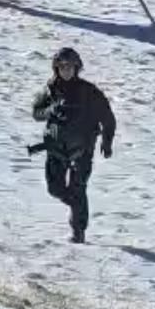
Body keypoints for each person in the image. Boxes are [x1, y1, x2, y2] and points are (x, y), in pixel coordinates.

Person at [31, 46, 116, 243]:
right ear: (56, 69)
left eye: (70, 67)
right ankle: (77, 204)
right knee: (55, 189)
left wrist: (107, 141)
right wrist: (49, 110)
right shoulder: (48, 89)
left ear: (76, 68)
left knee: (78, 188)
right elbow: (36, 112)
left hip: (82, 149)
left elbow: (108, 117)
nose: (66, 70)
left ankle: (78, 231)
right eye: (61, 67)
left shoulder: (89, 91)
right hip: (56, 148)